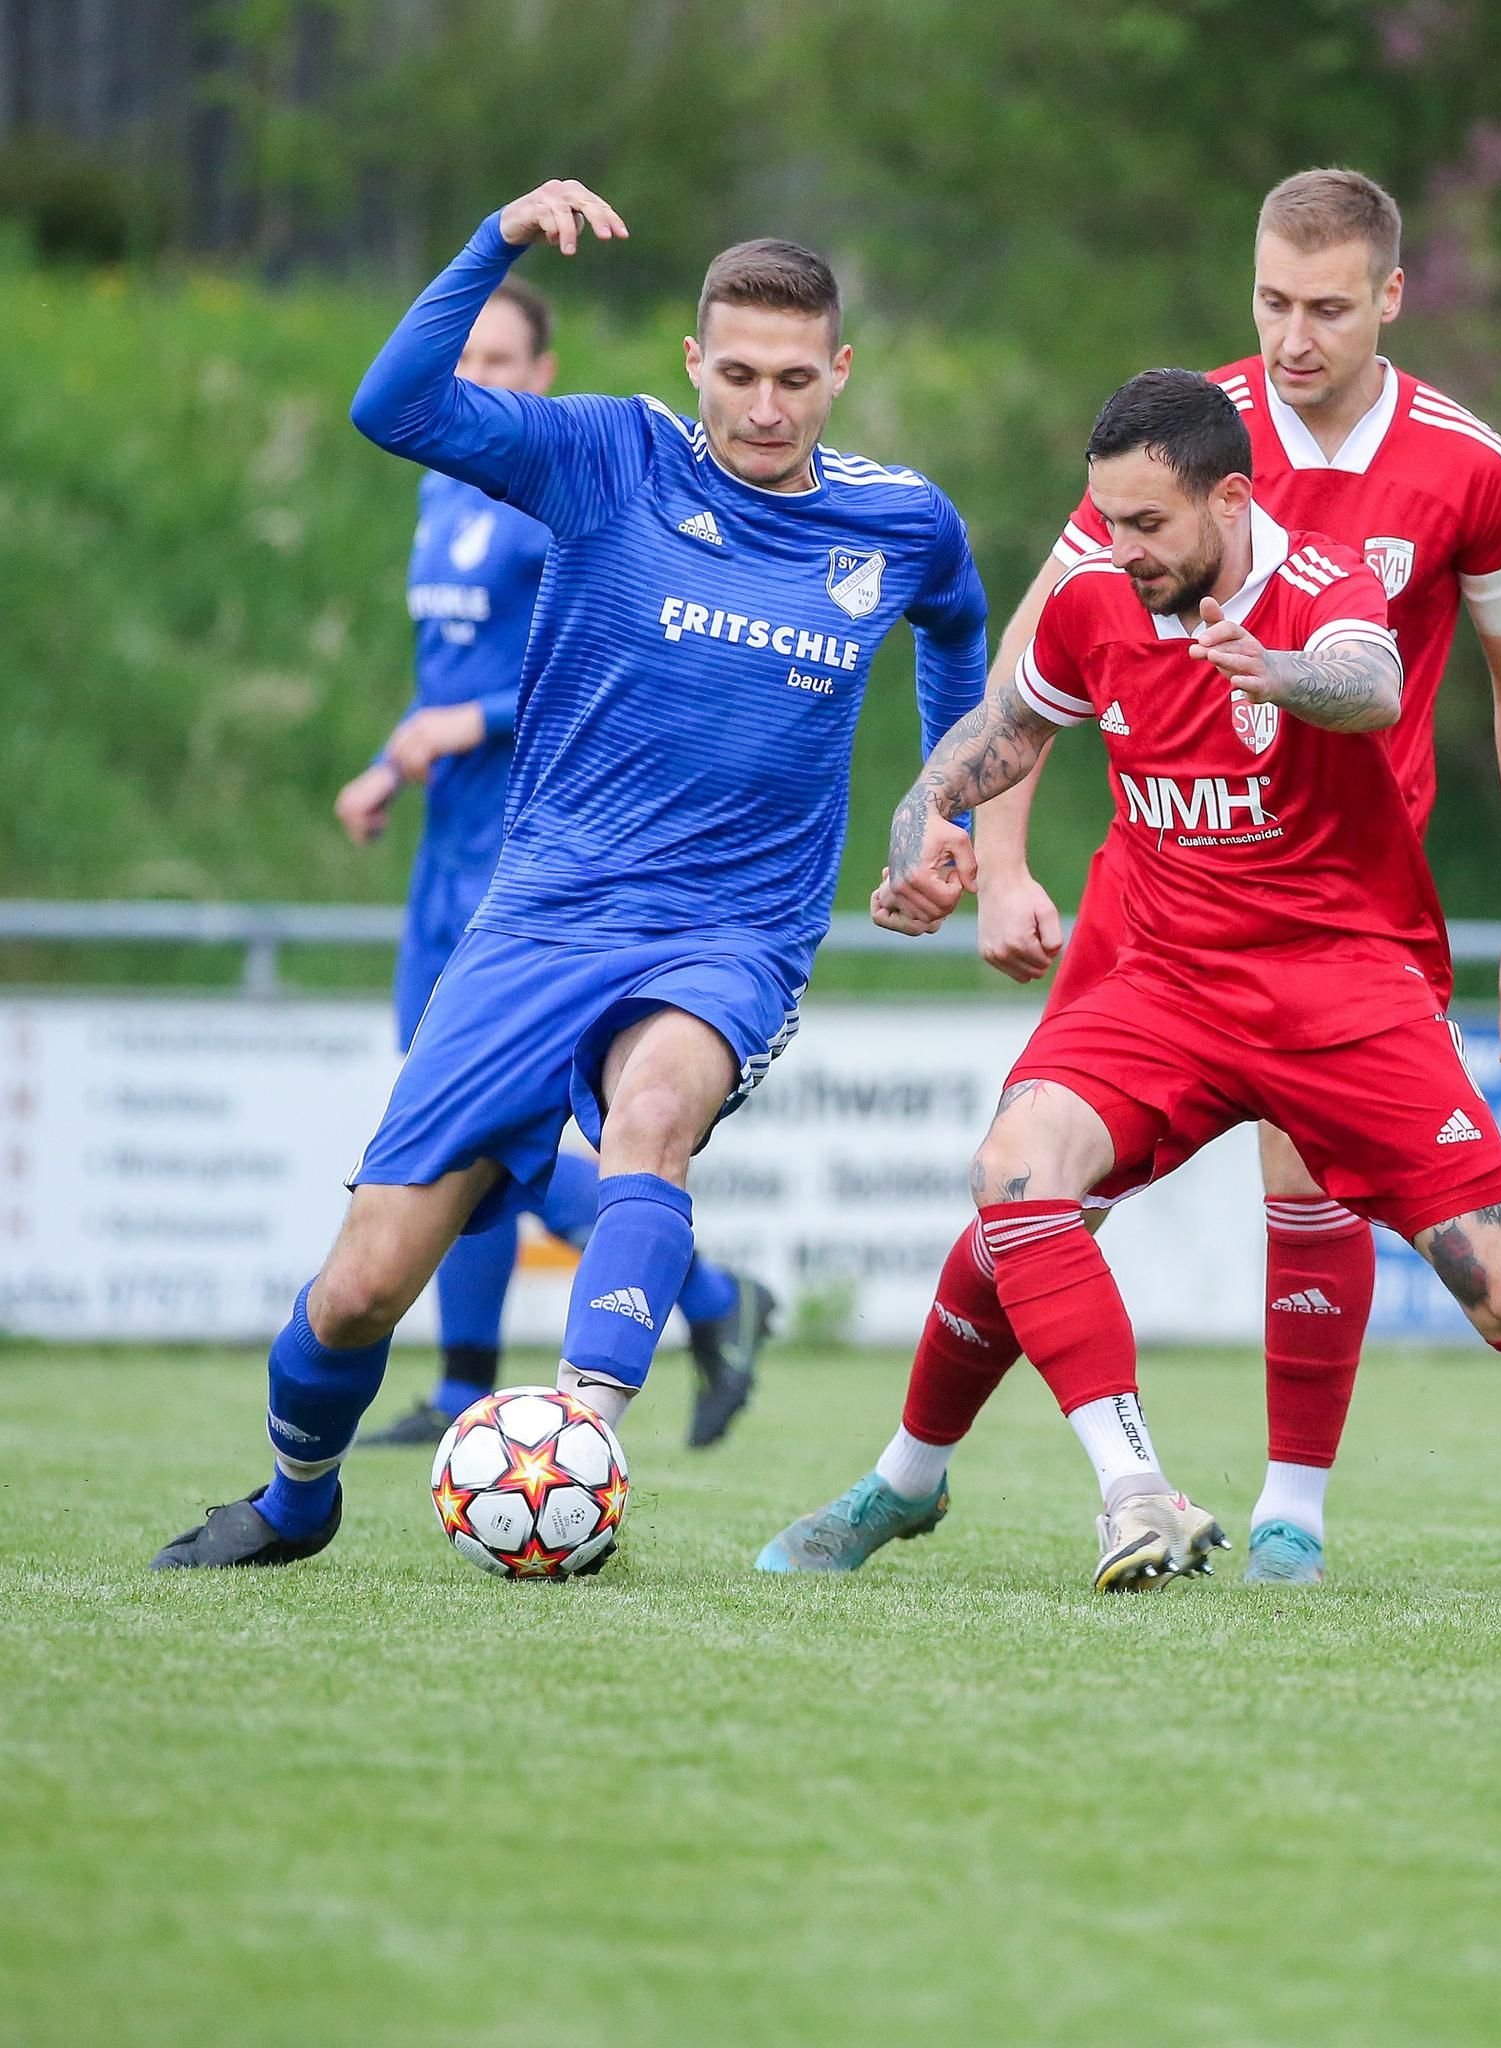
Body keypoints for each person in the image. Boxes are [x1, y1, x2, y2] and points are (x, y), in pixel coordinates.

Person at [762, 370, 1501, 1602]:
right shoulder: (1095, 595)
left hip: (1342, 984)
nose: (1115, 551)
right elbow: (1009, 726)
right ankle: (1110, 1488)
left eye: (1145, 526)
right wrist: (925, 817)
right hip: (1168, 981)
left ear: (1229, 500)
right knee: (1017, 1170)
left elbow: (1369, 679)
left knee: (1500, 1282)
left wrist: (1278, 673)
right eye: (1105, 520)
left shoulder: (1325, 582)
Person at [151, 178, 988, 1570]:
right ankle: (297, 1497)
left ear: (840, 371)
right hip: (543, 916)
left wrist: (940, 802)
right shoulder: (609, 457)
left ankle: (576, 1436)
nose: (765, 408)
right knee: (360, 1290)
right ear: (690, 362)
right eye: (737, 374)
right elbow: (394, 410)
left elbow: (959, 627)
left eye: (795, 379)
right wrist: (493, 244)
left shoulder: (899, 522)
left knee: (651, 1117)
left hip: (734, 929)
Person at [333, 276, 775, 1454]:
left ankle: (712, 1293)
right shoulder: (443, 495)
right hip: (446, 849)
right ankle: (462, 1377)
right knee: (445, 1137)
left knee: (485, 1135)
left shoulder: (553, 497)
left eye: (503, 362)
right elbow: (451, 675)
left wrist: (461, 728)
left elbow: (598, 683)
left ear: (545, 371)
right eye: (465, 361)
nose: (480, 381)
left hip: (538, 858)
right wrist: (392, 760)